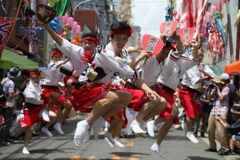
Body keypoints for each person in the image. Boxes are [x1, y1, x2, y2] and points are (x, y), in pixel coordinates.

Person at [146, 39, 200, 157]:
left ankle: (157, 144)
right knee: (173, 112)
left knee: (170, 121)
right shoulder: (169, 58)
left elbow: (195, 60)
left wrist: (195, 48)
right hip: (161, 88)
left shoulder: (182, 62)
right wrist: (179, 41)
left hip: (170, 92)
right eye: (182, 46)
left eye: (186, 46)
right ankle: (152, 123)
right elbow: (176, 51)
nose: (184, 47)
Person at [179, 48, 215, 143]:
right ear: (192, 55)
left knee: (199, 113)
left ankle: (185, 124)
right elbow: (194, 82)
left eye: (200, 55)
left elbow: (212, 75)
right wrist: (205, 77)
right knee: (190, 113)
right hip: (185, 91)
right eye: (197, 55)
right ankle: (190, 132)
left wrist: (204, 73)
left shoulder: (203, 65)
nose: (199, 57)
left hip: (194, 92)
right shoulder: (189, 66)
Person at [19, 70, 57, 154]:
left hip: (40, 108)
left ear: (39, 77)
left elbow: (50, 81)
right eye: (33, 78)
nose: (36, 79)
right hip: (30, 110)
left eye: (37, 77)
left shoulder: (42, 83)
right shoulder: (28, 87)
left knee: (54, 116)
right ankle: (25, 147)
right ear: (30, 79)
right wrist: (41, 94)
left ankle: (45, 128)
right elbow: (33, 99)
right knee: (30, 128)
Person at [205, 75, 230, 155]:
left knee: (220, 131)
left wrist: (218, 89)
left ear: (220, 83)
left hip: (222, 111)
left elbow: (222, 97)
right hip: (213, 111)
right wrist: (209, 90)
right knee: (209, 129)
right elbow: (210, 99)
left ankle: (225, 149)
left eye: (216, 83)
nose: (215, 84)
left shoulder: (226, 88)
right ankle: (212, 147)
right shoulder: (215, 90)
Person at [0, 67, 21, 146]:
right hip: (8, 104)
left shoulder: (4, 80)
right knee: (6, 122)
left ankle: (5, 137)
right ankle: (2, 139)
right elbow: (11, 95)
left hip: (3, 103)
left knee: (4, 121)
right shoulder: (11, 83)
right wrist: (17, 94)